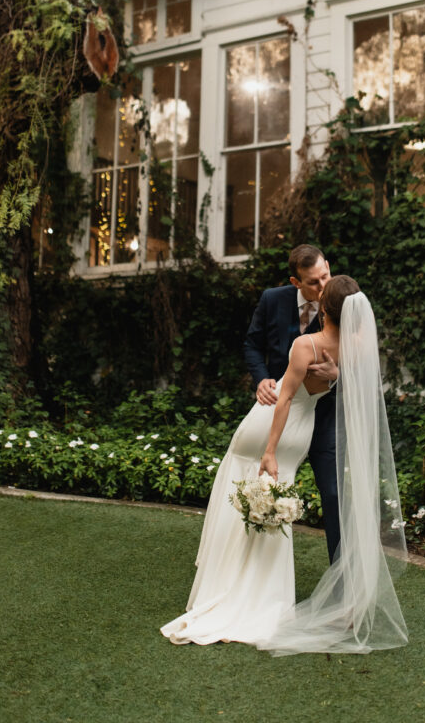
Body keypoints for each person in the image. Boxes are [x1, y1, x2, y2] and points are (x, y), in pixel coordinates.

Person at [161, 276, 408, 655]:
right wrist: (337, 377)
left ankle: (227, 588)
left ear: (324, 309)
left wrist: (270, 450)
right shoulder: (357, 347)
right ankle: (266, 596)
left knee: (243, 492)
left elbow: (285, 400)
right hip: (303, 434)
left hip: (270, 428)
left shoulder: (305, 344)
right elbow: (349, 388)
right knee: (272, 506)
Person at [243, 245, 340, 562]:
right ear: (295, 282)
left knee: (333, 493)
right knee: (263, 486)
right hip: (278, 413)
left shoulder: (342, 302)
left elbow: (364, 361)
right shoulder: (273, 299)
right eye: (313, 282)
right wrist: (260, 378)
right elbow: (253, 345)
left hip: (322, 415)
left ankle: (342, 581)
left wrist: (337, 373)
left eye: (325, 275)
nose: (323, 286)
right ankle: (253, 569)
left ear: (328, 265)